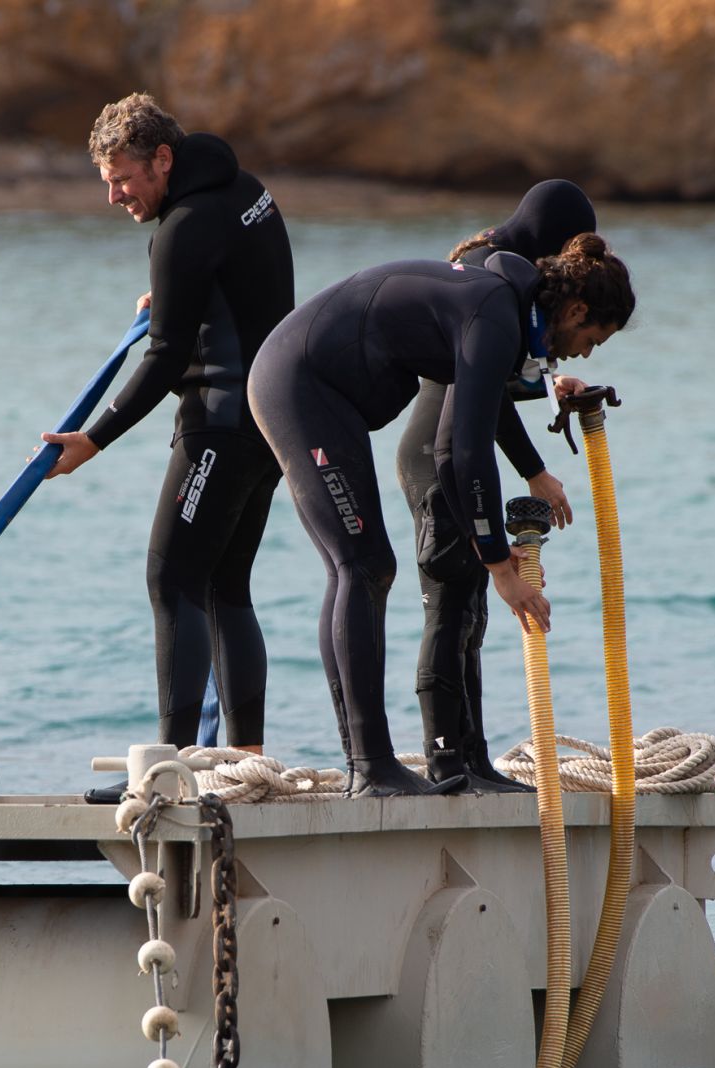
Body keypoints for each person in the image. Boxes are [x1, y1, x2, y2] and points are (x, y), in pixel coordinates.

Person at [248, 233, 634, 796]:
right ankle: (370, 767)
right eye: (593, 337)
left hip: (318, 390)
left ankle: (373, 763)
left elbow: (472, 436)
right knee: (362, 566)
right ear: (575, 310)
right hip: (299, 384)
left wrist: (506, 528)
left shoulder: (503, 307)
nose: (586, 352)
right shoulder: (497, 315)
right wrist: (501, 568)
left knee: (361, 567)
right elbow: (463, 454)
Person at [43, 93, 294, 761]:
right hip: (273, 422)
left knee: (171, 578)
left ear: (162, 159)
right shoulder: (245, 189)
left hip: (219, 424)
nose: (115, 196)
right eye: (108, 182)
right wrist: (183, 294)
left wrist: (93, 438)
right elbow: (248, 279)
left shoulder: (182, 230)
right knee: (224, 585)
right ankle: (245, 761)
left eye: (123, 179)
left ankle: (170, 764)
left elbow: (165, 359)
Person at [396, 180, 597, 793]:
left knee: (473, 615)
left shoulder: (505, 275)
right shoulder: (486, 273)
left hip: (453, 451)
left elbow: (496, 393)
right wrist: (535, 468)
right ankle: (444, 760)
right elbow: (479, 404)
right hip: (436, 460)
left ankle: (473, 758)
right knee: (451, 606)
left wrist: (546, 385)